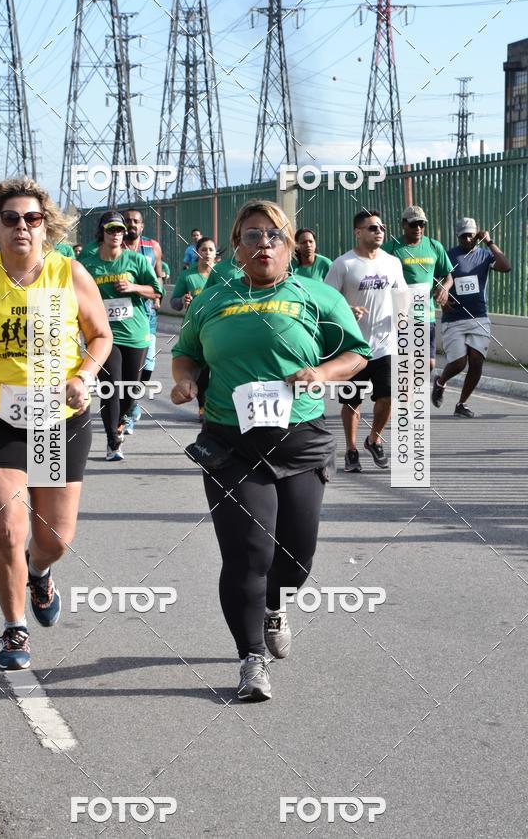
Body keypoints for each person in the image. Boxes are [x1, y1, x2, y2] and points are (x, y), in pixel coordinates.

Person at [171, 199, 371, 702]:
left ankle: (275, 606)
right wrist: (185, 382)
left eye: (274, 235)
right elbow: (185, 352)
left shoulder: (317, 296)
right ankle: (251, 658)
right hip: (230, 444)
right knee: (248, 553)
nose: (264, 244)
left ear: (289, 246)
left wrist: (321, 373)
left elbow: (355, 354)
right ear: (237, 247)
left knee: (296, 558)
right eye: (253, 235)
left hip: (299, 439)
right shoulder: (212, 300)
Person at [0, 178, 112, 670]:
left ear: (45, 226)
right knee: (8, 531)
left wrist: (83, 375)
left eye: (32, 219)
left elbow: (101, 335)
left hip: (57, 419)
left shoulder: (68, 272)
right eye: (10, 218)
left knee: (54, 538)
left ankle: (39, 571)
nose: (21, 227)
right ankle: (14, 628)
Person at [326, 211, 407, 472]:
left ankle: (374, 439)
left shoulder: (392, 262)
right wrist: (347, 310)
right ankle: (351, 450)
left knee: (388, 396)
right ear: (358, 232)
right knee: (352, 401)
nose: (379, 231)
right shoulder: (343, 264)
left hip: (386, 345)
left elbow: (402, 295)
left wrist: (403, 315)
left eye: (381, 227)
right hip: (353, 348)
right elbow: (327, 302)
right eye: (373, 228)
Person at [80, 211, 162, 460]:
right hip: (104, 335)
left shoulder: (136, 260)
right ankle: (112, 441)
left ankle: (121, 420)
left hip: (135, 332)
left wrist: (133, 287)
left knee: (131, 388)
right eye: (111, 229)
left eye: (119, 230)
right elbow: (77, 294)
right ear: (102, 233)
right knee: (111, 386)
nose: (115, 234)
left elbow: (156, 291)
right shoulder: (89, 263)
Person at [432, 219, 511, 417]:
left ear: (477, 234)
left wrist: (490, 242)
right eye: (463, 236)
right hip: (454, 318)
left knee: (476, 362)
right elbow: (433, 280)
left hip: (478, 318)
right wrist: (441, 299)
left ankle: (462, 404)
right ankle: (440, 382)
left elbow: (506, 266)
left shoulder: (485, 255)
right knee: (459, 363)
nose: (467, 239)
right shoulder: (449, 256)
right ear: (457, 236)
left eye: (471, 235)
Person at [383, 205, 453, 371]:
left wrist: (444, 288)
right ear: (403, 224)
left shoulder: (434, 246)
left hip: (426, 315)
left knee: (428, 365)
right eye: (413, 224)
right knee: (406, 364)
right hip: (402, 316)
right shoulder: (391, 248)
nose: (418, 228)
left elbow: (448, 276)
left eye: (422, 224)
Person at [122, 210, 164, 428]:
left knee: (148, 363)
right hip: (122, 318)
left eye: (135, 221)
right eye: (127, 221)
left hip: (147, 314)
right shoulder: (114, 247)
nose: (131, 224)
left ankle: (133, 399)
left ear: (142, 225)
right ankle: (127, 411)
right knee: (125, 367)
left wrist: (158, 297)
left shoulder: (152, 247)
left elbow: (159, 275)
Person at [171, 237, 216, 420]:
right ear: (197, 252)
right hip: (195, 330)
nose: (207, 253)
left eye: (211, 249)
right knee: (202, 372)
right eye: (203, 249)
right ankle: (203, 408)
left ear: (216, 253)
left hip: (218, 329)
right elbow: (174, 303)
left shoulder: (221, 275)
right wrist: (182, 300)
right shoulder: (188, 276)